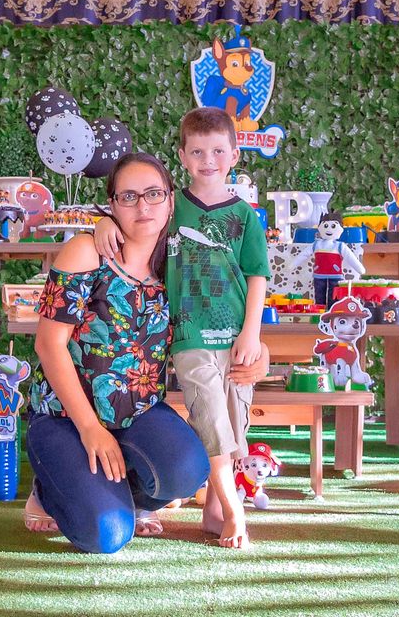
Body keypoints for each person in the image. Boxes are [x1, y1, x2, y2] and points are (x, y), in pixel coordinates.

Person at [23, 152, 267, 554]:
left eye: (154, 194)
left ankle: (125, 497)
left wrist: (260, 348)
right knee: (107, 536)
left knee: (188, 469)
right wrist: (90, 428)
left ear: (171, 201)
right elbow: (48, 345)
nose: (143, 206)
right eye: (128, 196)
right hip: (66, 417)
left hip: (137, 413)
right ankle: (48, 491)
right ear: (113, 203)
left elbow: (223, 318)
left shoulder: (178, 267)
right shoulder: (87, 252)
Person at [96, 108, 270, 549]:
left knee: (234, 422)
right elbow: (132, 219)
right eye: (197, 152)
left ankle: (213, 511)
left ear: (235, 155)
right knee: (210, 418)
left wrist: (252, 335)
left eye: (218, 151)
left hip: (235, 339)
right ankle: (234, 510)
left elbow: (257, 276)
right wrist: (102, 222)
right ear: (182, 156)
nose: (208, 160)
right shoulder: (170, 209)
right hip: (189, 335)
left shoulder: (246, 216)